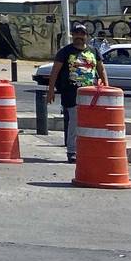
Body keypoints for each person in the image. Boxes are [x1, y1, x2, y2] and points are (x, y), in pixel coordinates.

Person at [45, 23, 109, 163]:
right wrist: (51, 90)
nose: (79, 36)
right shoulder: (65, 51)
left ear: (86, 36)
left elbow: (101, 69)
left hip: (91, 94)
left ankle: (87, 149)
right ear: (72, 35)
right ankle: (72, 151)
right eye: (76, 33)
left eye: (82, 34)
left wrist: (106, 86)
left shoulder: (94, 51)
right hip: (71, 93)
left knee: (90, 122)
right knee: (74, 121)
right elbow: (55, 71)